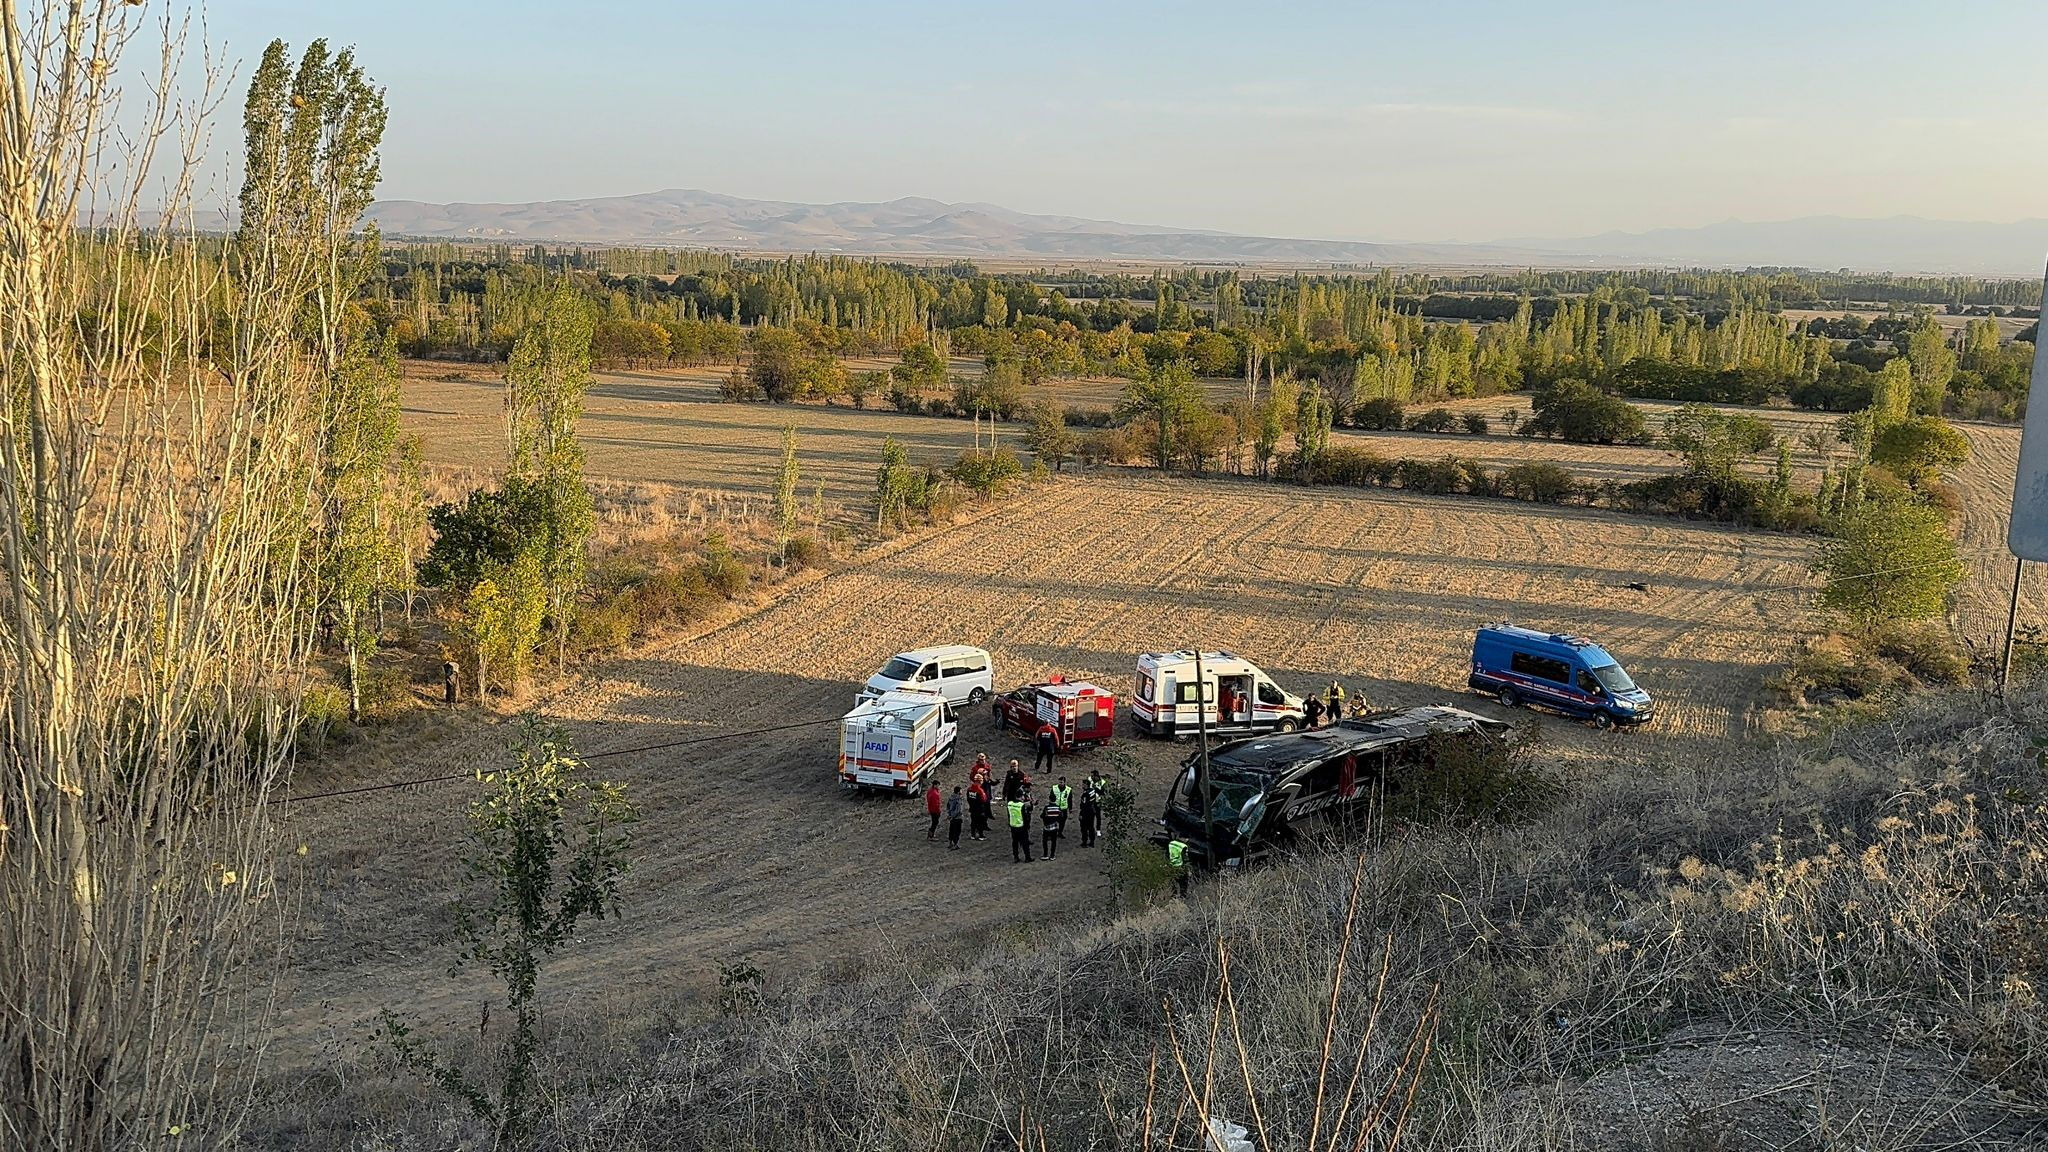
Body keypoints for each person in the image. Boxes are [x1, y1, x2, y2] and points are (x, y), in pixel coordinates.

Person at [1007, 795, 1033, 863]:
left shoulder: (1010, 804)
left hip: (1013, 825)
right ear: (1021, 797)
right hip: (1021, 826)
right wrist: (1027, 826)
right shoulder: (1021, 805)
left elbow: (1009, 814)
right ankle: (1027, 857)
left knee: (1015, 843)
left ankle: (1016, 857)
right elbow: (1025, 817)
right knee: (1025, 843)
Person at [1042, 793, 1066, 859]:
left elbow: (1042, 816)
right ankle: (1052, 855)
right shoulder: (1058, 808)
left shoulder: (1047, 807)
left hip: (1047, 827)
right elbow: (1061, 817)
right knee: (1054, 842)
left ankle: (1045, 855)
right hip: (1054, 827)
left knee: (1045, 841)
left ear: (1049, 799)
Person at [1078, 781, 1101, 848]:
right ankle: (1092, 842)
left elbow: (1084, 805)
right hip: (1092, 811)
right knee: (1091, 827)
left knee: (1084, 828)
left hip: (1086, 813)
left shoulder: (1085, 794)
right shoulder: (1092, 791)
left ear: (1086, 785)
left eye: (1083, 784)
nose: (1082, 786)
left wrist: (1081, 814)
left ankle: (1084, 842)